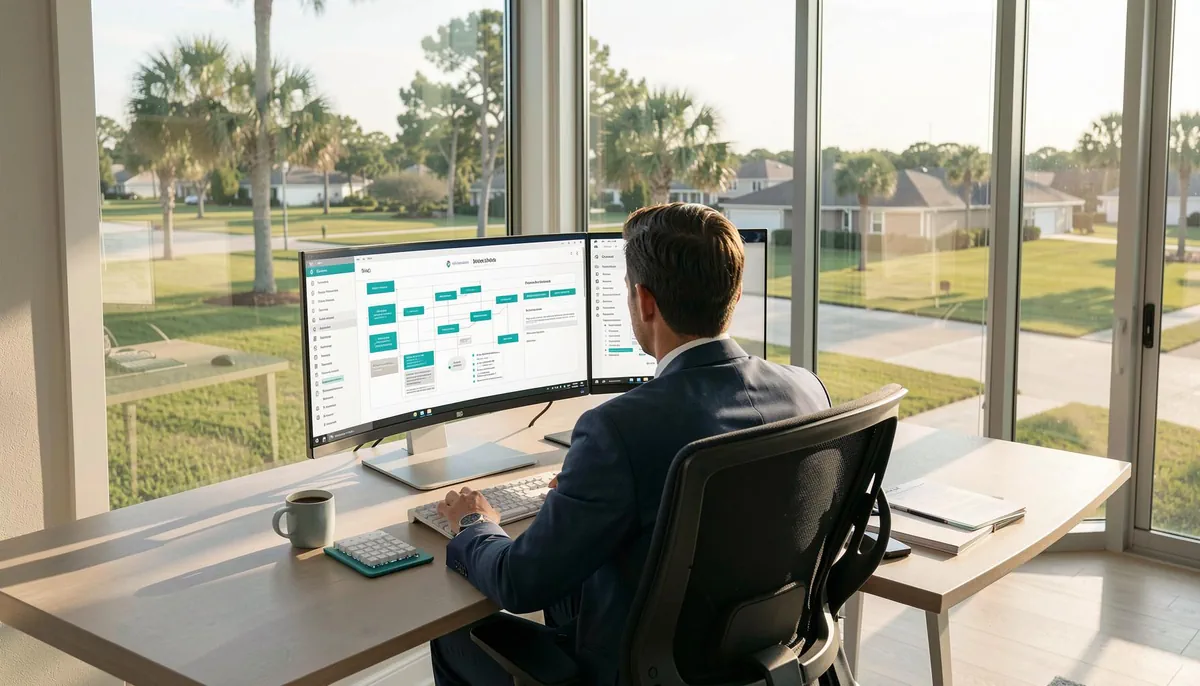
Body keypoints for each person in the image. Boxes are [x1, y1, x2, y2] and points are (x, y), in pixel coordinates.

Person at [431, 203, 831, 686]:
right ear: (736, 294)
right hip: (748, 657)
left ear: (644, 301)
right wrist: (584, 496)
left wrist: (474, 523)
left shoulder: (617, 429)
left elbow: (518, 584)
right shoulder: (807, 390)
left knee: (451, 634)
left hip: (638, 672)